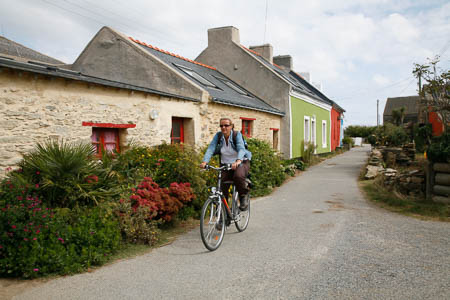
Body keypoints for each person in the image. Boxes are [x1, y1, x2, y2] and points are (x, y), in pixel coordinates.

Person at [200, 118, 251, 210]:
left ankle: (243, 196)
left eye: (226, 125)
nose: (224, 127)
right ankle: (224, 215)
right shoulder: (219, 136)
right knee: (221, 188)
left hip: (241, 162)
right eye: (221, 125)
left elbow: (241, 148)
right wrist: (205, 161)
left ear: (231, 126)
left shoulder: (237, 135)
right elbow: (211, 148)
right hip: (225, 165)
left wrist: (238, 160)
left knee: (238, 176)